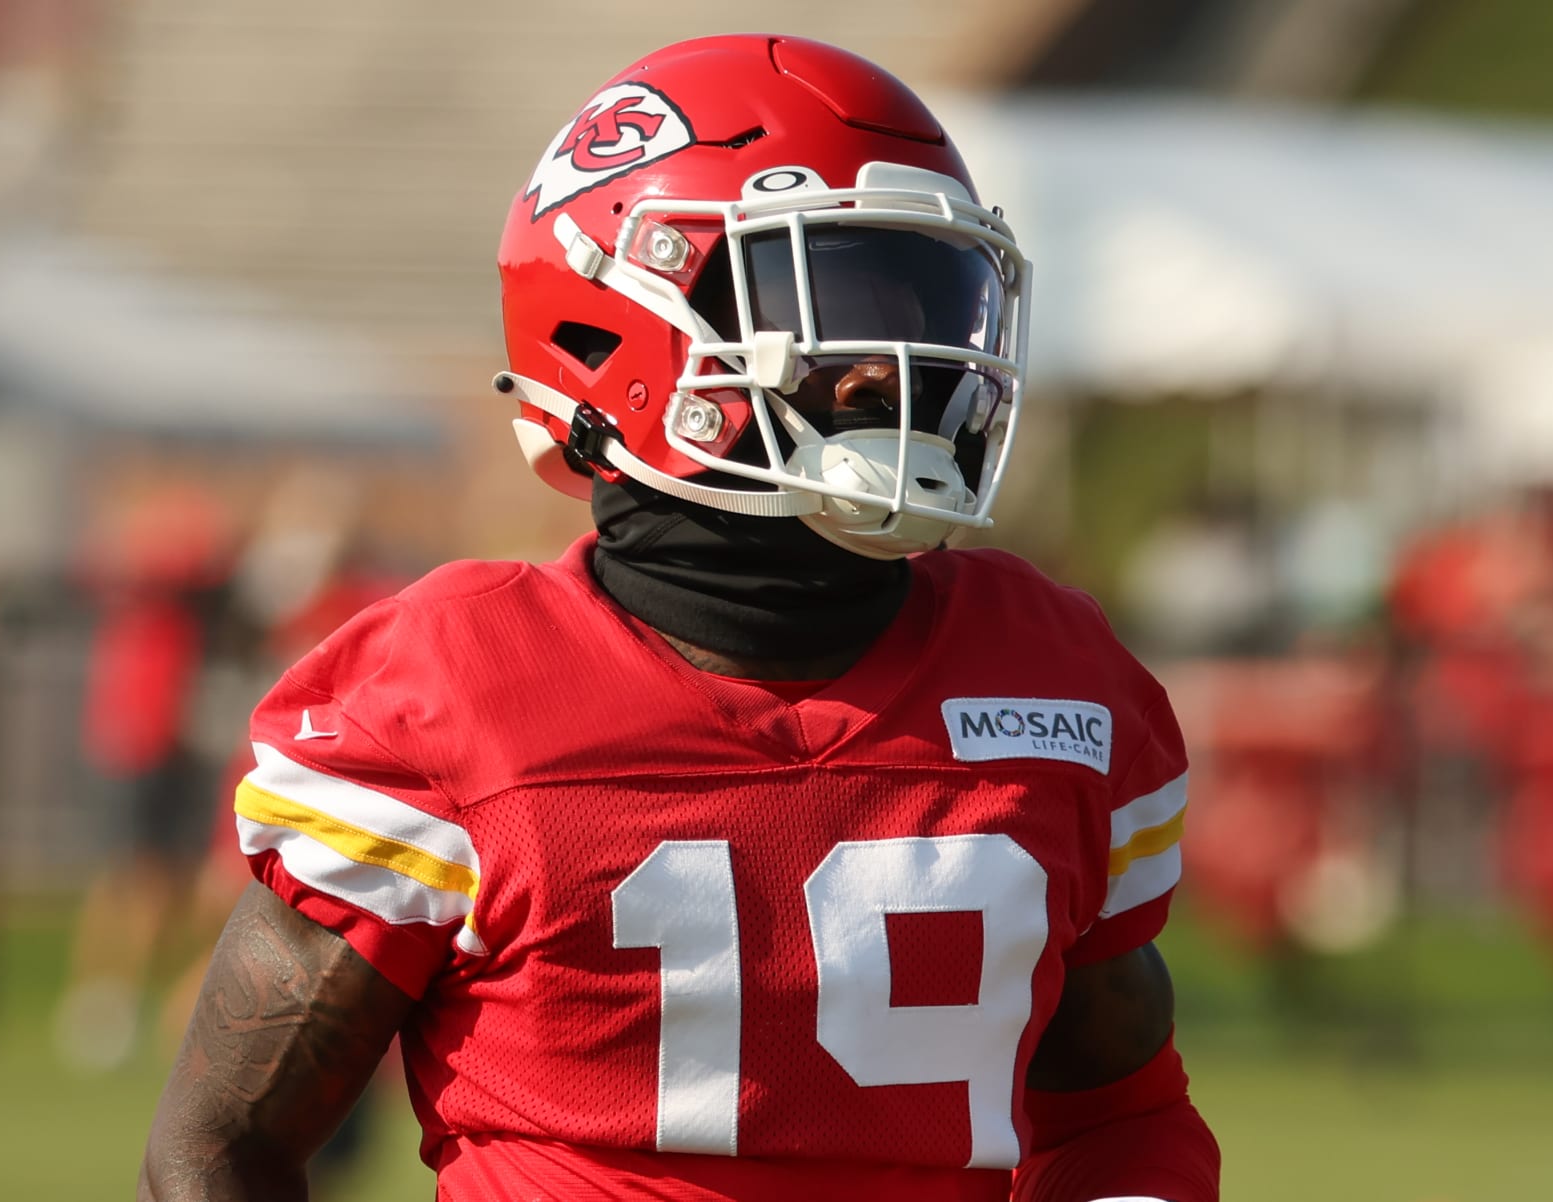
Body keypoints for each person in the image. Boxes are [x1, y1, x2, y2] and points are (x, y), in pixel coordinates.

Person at [140, 34, 1219, 1202]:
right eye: (839, 298)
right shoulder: (453, 690)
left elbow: (1117, 1109)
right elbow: (217, 1148)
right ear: (613, 324)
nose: (890, 370)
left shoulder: (1050, 680)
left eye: (928, 298)